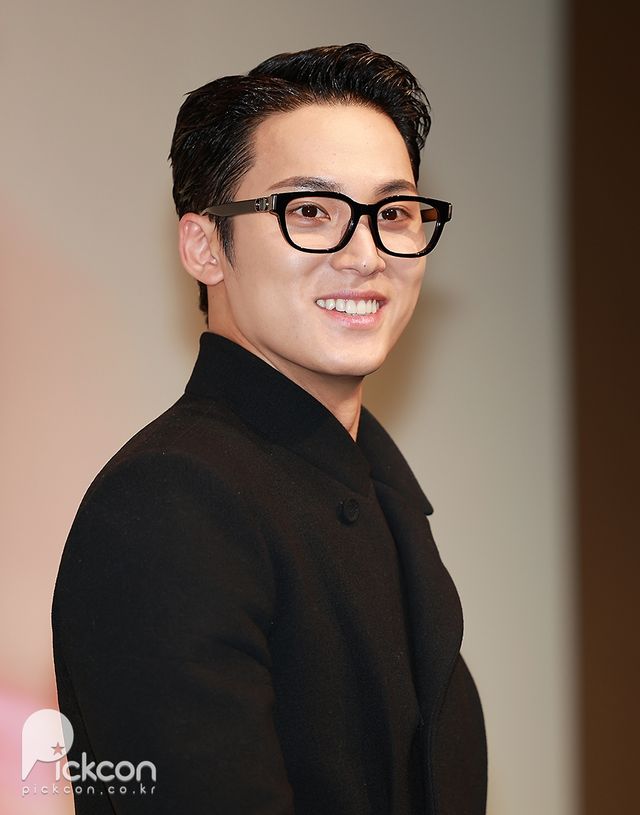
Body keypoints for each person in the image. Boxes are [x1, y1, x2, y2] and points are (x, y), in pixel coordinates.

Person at [52, 43, 487, 814]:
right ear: (204, 246)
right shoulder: (168, 501)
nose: (366, 255)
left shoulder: (387, 494)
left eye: (393, 213)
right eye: (310, 211)